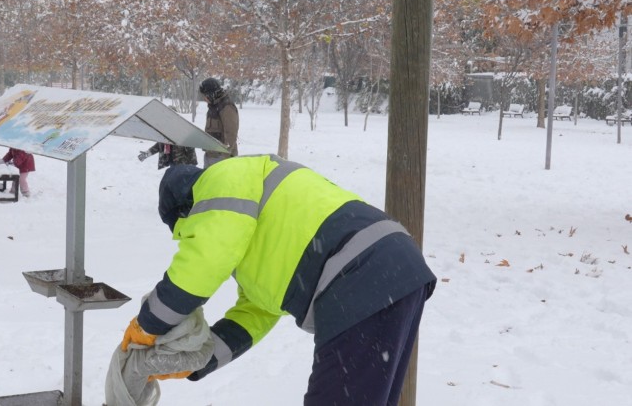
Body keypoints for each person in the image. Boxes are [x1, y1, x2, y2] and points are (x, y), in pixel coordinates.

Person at [120, 155, 436, 406]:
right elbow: (256, 314)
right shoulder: (253, 230)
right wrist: (198, 360)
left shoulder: (222, 181)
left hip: (360, 271)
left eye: (186, 232)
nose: (193, 237)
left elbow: (204, 262)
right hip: (393, 269)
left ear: (187, 209)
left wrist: (147, 326)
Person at [198, 78, 239, 168]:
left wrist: (226, 156)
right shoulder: (213, 106)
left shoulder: (226, 107)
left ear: (212, 94)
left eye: (205, 96)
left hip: (221, 157)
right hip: (210, 154)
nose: (204, 99)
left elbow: (231, 134)